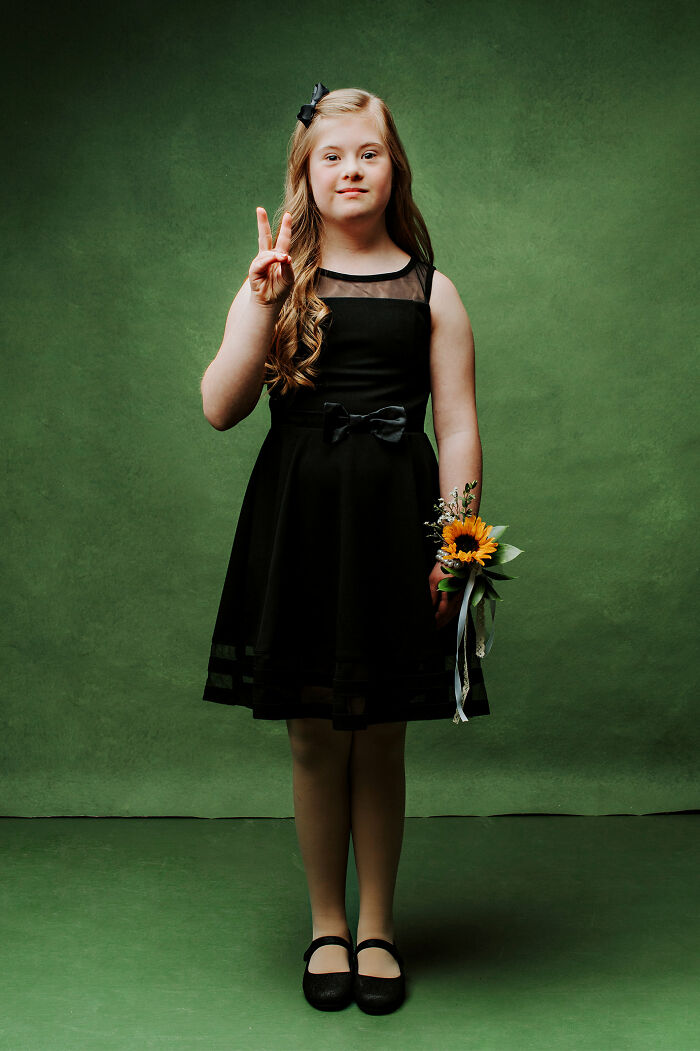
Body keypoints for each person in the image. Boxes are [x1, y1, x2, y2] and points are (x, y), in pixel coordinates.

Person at [200, 83, 490, 1015]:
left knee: (382, 735)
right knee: (315, 735)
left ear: (393, 167)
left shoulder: (434, 289)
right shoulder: (278, 279)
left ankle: (376, 926)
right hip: (302, 528)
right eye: (333, 155)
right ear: (307, 173)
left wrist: (457, 547)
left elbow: (459, 423)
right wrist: (260, 301)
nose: (351, 169)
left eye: (368, 153)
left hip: (396, 530)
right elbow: (219, 407)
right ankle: (327, 922)